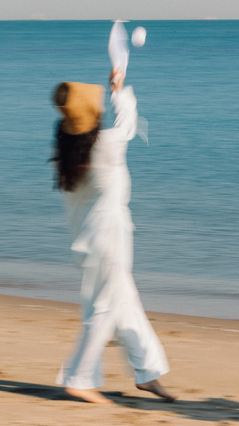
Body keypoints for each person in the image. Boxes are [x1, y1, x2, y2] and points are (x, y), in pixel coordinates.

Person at [52, 70, 175, 404]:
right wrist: (120, 92)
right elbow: (128, 123)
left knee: (124, 303)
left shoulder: (68, 153)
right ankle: (79, 379)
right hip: (109, 239)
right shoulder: (106, 145)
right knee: (106, 309)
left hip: (88, 241)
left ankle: (148, 373)